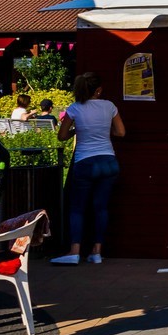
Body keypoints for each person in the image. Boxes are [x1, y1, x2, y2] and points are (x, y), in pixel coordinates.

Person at [53, 73, 124, 265]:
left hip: (85, 161)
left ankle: (74, 251)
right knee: (101, 207)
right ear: (98, 90)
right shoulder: (109, 106)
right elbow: (121, 132)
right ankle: (97, 252)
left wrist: (77, 131)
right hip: (108, 161)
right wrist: (103, 131)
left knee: (77, 208)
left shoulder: (75, 108)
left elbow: (61, 135)